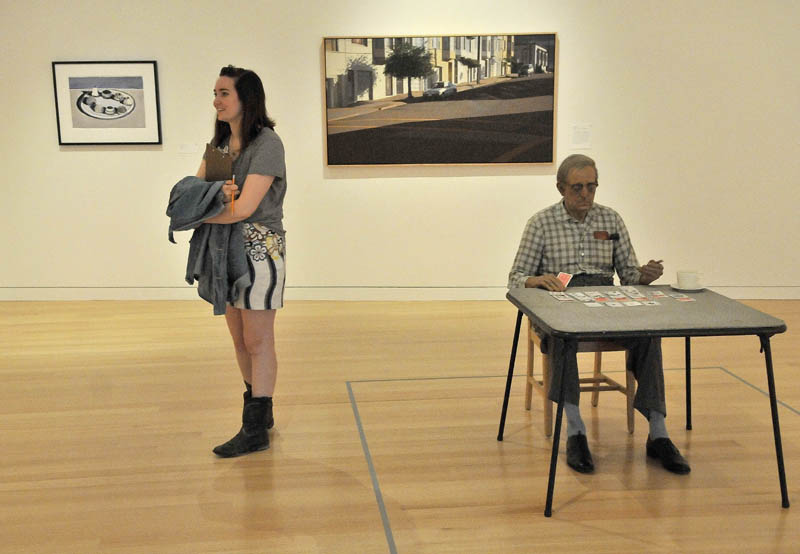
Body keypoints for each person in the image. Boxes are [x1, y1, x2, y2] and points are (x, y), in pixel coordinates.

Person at [507, 154, 690, 475]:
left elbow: (629, 276)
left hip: (605, 298)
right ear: (560, 188)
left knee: (648, 334)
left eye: (591, 186)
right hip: (559, 298)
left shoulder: (611, 220)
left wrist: (643, 275)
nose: (585, 194)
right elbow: (515, 277)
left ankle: (658, 432)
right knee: (562, 335)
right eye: (577, 188)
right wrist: (535, 279)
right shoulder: (541, 223)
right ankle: (575, 430)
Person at [197, 65, 287, 457]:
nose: (216, 101)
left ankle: (255, 429)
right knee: (238, 338)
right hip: (224, 250)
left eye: (223, 93)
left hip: (260, 249)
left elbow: (245, 207)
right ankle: (259, 412)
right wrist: (209, 202)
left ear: (245, 99)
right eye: (215, 93)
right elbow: (191, 194)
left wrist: (206, 208)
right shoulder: (219, 147)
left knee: (257, 338)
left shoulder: (267, 143)